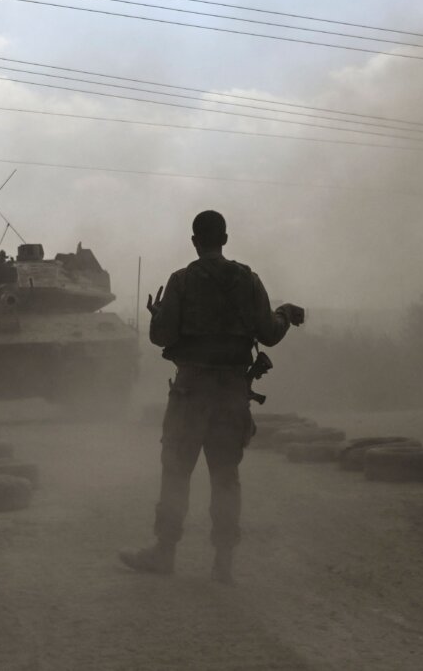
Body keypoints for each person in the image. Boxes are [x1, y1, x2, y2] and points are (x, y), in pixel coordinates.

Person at [119, 210, 304, 584]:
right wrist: (284, 314)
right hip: (231, 393)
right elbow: (269, 333)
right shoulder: (247, 280)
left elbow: (161, 337)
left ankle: (164, 553)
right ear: (225, 237)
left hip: (191, 391)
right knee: (224, 475)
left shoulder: (182, 281)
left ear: (194, 241)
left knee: (176, 472)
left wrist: (157, 316)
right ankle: (223, 563)